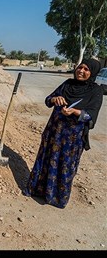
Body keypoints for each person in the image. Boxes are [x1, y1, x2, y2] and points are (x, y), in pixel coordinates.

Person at [23, 58, 104, 209]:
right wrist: (55, 98)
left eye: (86, 69)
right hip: (54, 131)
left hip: (72, 138)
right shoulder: (67, 84)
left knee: (65, 165)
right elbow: (48, 100)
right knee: (46, 159)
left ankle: (56, 198)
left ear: (92, 73)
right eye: (80, 67)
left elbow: (91, 115)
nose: (81, 71)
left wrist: (75, 111)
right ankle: (37, 190)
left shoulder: (96, 91)